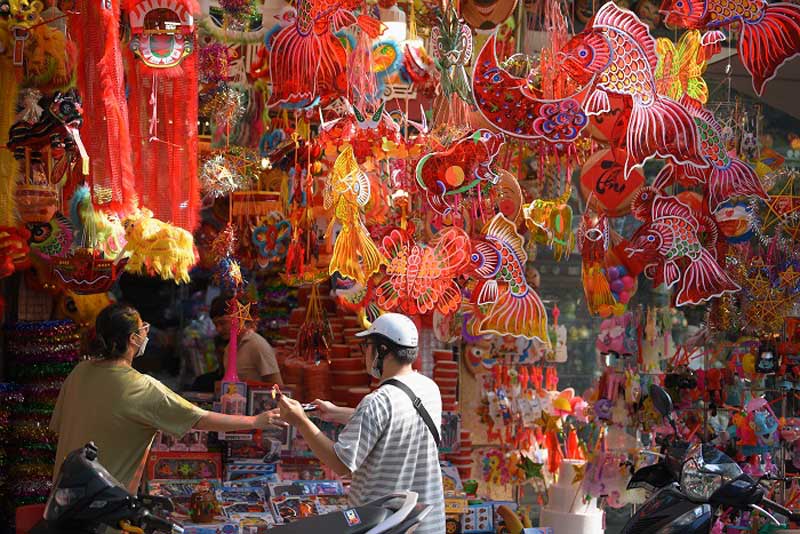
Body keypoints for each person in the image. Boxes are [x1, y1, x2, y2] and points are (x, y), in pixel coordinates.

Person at [50, 303, 285, 493]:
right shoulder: (141, 387)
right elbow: (201, 419)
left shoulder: (79, 372)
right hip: (102, 513)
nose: (146, 333)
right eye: (143, 328)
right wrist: (254, 421)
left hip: (63, 504)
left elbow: (60, 429)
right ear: (133, 339)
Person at [277, 313, 445, 534]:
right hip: (428, 525)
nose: (365, 353)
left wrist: (301, 421)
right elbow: (395, 422)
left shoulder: (378, 401)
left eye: (367, 346)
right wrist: (336, 413)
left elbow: (341, 464)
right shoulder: (428, 387)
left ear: (382, 350)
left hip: (385, 525)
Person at [208, 296, 282, 385]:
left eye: (223, 323)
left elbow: (278, 387)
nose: (219, 329)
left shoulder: (257, 344)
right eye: (215, 324)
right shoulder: (228, 349)